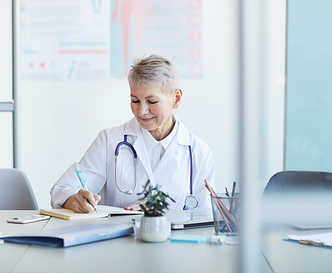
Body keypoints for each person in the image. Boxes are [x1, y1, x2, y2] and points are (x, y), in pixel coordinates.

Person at [50, 54, 215, 214]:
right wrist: (75, 200)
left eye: (152, 101)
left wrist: (159, 211)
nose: (141, 111)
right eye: (135, 100)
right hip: (117, 240)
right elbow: (62, 189)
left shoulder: (199, 153)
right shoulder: (109, 141)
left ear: (176, 99)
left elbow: (204, 215)